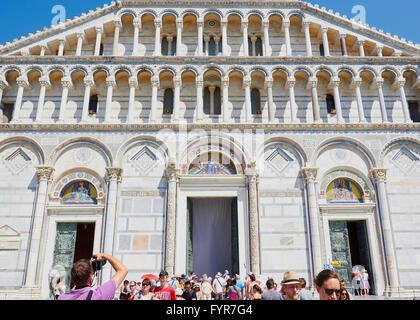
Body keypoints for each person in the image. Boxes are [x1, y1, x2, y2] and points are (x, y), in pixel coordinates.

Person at [58, 253, 128, 300]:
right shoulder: (98, 296)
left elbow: (75, 290)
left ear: (72, 278)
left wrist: (89, 269)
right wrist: (105, 255)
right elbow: (123, 270)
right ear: (90, 277)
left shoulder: (62, 298)